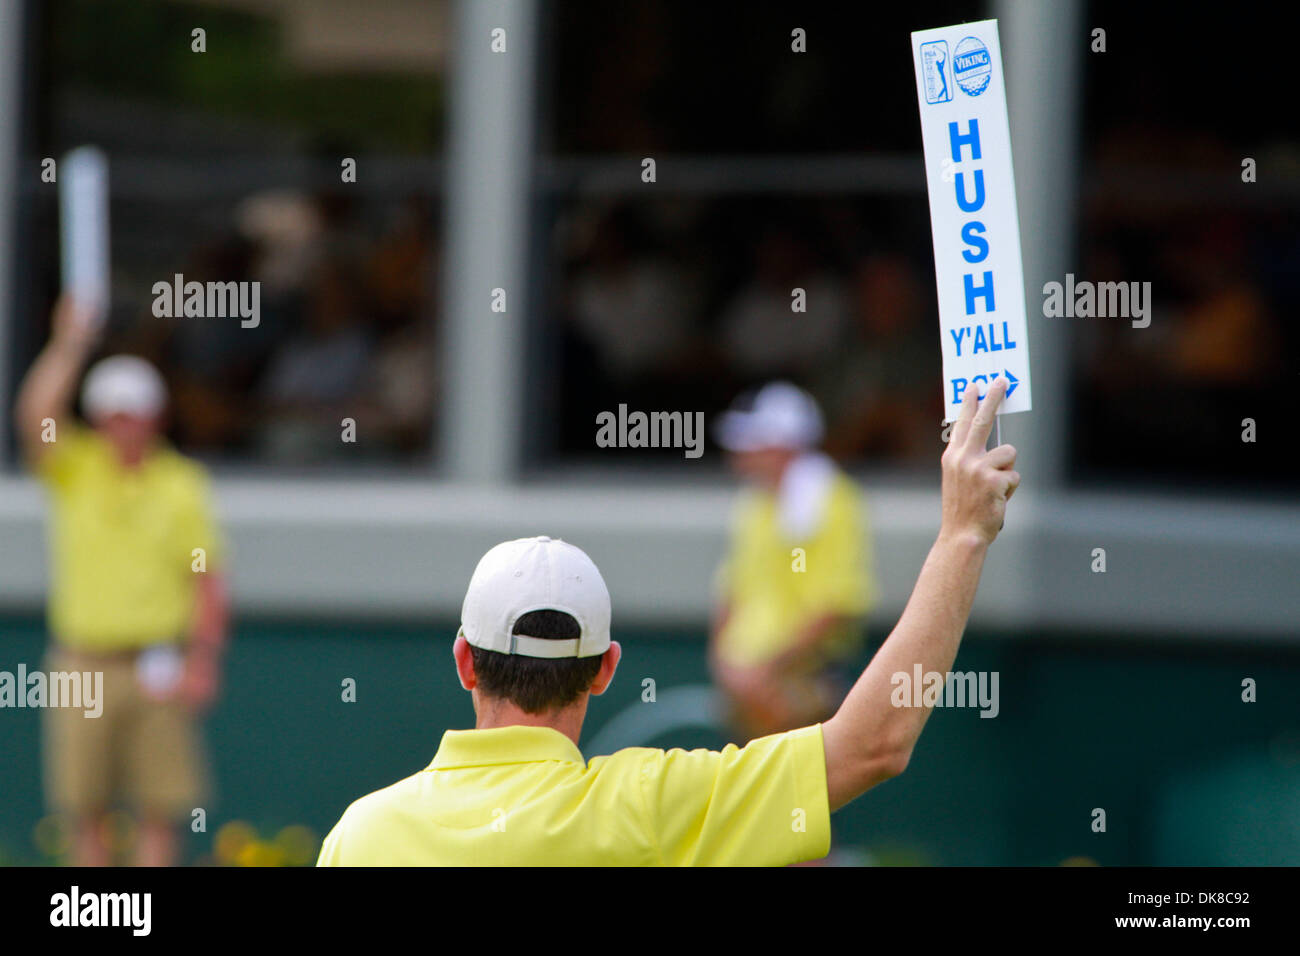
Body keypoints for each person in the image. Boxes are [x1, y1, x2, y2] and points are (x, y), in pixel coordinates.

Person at [317, 377, 1019, 865]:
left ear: (465, 660)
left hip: (789, 678)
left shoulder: (358, 837)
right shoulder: (648, 807)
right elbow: (874, 744)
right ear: (605, 670)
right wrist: (962, 534)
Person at [14, 295, 229, 866]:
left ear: (153, 417)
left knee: (160, 809)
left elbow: (206, 577)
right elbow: (34, 416)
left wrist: (202, 657)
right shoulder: (77, 468)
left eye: (130, 413)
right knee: (83, 810)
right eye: (110, 413)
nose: (120, 425)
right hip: (81, 660)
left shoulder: (181, 484)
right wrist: (68, 344)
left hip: (155, 663)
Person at [709, 381, 873, 740]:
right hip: (751, 689)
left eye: (753, 444)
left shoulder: (834, 501)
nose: (740, 454)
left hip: (803, 683)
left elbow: (838, 603)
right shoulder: (754, 500)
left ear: (782, 446)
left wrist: (767, 671)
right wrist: (727, 665)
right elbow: (732, 588)